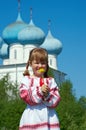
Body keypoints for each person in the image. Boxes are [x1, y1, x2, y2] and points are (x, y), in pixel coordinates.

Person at [19, 48, 61, 130]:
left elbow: (56, 100)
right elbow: (25, 96)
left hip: (50, 118)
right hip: (32, 118)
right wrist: (39, 91)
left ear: (47, 64)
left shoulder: (50, 81)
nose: (40, 66)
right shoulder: (26, 80)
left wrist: (47, 95)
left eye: (43, 63)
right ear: (31, 64)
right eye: (36, 63)